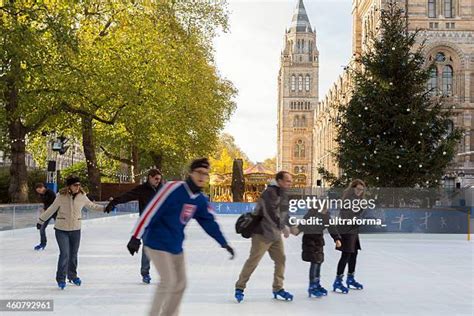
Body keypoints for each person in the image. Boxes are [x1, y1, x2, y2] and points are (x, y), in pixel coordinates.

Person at [127, 158, 234, 316]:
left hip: (175, 245)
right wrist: (136, 236)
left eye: (205, 174)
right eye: (199, 172)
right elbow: (151, 210)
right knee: (168, 282)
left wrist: (224, 243)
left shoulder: (200, 200)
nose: (202, 177)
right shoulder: (173, 188)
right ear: (191, 173)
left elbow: (209, 222)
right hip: (156, 242)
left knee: (181, 284)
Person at [36, 175, 106, 290]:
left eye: (79, 185)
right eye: (75, 185)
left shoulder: (82, 196)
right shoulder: (61, 196)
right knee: (64, 254)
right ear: (69, 186)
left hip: (75, 230)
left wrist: (105, 208)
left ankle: (72, 276)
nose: (78, 187)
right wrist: (41, 220)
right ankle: (61, 279)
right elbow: (51, 209)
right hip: (61, 229)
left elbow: (92, 206)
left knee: (73, 255)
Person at [234, 171, 293, 303]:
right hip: (262, 234)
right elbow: (271, 212)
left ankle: (278, 288)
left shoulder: (283, 194)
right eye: (287, 181)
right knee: (253, 261)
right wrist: (283, 226)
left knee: (280, 260)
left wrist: (292, 226)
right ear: (279, 181)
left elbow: (284, 213)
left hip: (275, 234)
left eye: (290, 181)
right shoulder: (270, 192)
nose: (290, 183)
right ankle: (240, 287)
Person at [104, 169, 163, 284]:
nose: (158, 181)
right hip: (146, 224)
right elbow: (126, 196)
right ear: (149, 177)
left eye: (159, 179)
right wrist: (114, 202)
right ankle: (145, 273)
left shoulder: (162, 189)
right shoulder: (141, 189)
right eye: (156, 179)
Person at [292, 205, 342, 297]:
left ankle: (317, 284)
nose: (325, 210)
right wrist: (296, 230)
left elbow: (331, 227)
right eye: (324, 208)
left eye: (326, 208)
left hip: (319, 243)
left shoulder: (326, 216)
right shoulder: (310, 215)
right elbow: (301, 226)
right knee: (314, 263)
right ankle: (312, 286)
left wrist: (337, 239)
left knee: (319, 262)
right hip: (309, 242)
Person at [333, 179, 366, 293]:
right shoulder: (348, 200)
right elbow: (346, 215)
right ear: (353, 188)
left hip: (353, 230)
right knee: (346, 255)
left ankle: (350, 278)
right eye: (358, 189)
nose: (360, 191)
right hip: (346, 230)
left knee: (354, 254)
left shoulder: (358, 200)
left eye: (361, 190)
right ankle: (338, 280)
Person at [33, 183, 57, 250]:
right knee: (42, 228)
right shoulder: (41, 194)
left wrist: (45, 211)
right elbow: (45, 204)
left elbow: (54, 204)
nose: (39, 192)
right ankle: (42, 244)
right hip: (47, 213)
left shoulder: (51, 193)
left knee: (60, 229)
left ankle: (65, 244)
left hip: (55, 212)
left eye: (39, 190)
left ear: (42, 187)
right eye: (38, 191)